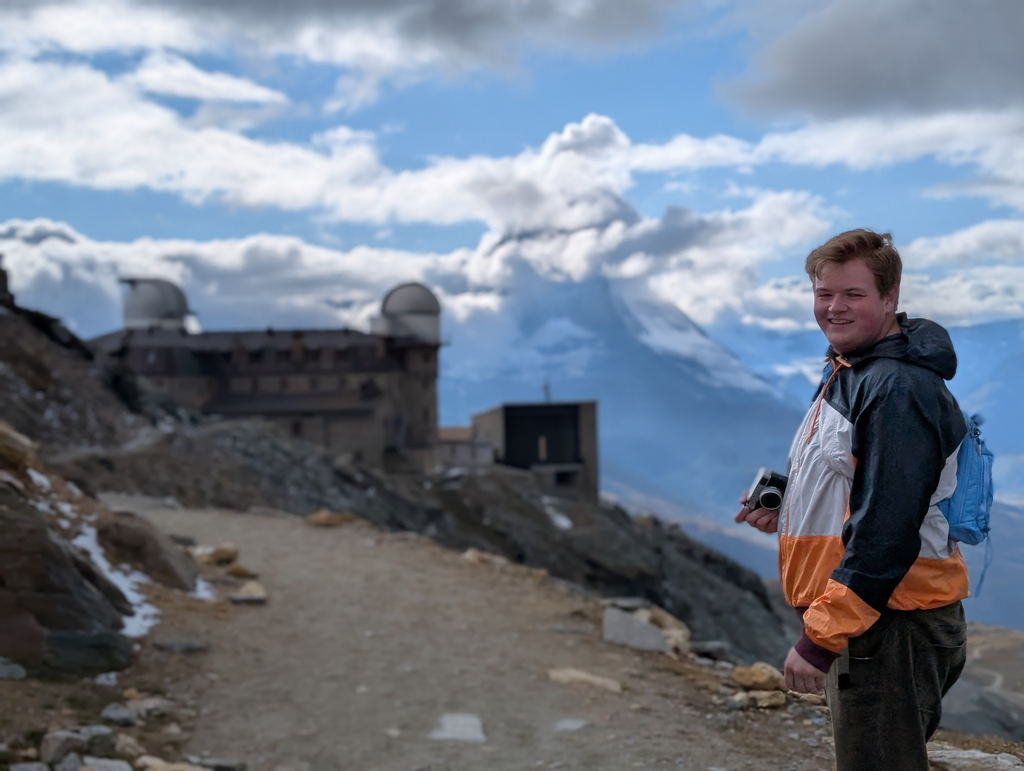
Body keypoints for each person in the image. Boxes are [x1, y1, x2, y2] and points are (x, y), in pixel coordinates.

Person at [735, 229, 969, 771]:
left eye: (853, 295)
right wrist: (791, 504)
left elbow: (887, 529)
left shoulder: (894, 389)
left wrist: (821, 640)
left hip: (888, 627)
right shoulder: (851, 370)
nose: (834, 308)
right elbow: (864, 483)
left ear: (890, 298)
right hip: (876, 623)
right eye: (824, 294)